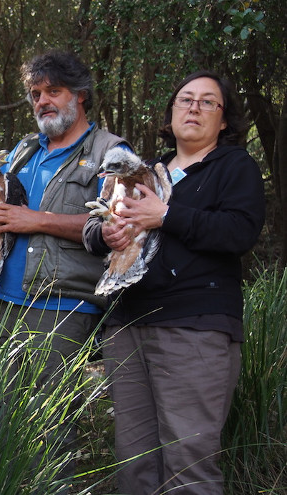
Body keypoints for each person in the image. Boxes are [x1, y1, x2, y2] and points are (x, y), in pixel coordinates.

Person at [82, 70, 265, 494]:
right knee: (134, 463)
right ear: (171, 113)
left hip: (194, 327)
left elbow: (239, 232)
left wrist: (166, 216)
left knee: (188, 465)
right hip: (128, 324)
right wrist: (105, 233)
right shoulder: (145, 170)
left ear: (224, 120)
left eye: (207, 102)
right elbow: (96, 226)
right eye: (185, 99)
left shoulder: (234, 166)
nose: (194, 108)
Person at [0, 49, 130, 488]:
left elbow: (118, 226)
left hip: (62, 305)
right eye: (35, 93)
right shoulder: (23, 151)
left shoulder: (110, 151)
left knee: (47, 428)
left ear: (80, 96)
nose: (42, 101)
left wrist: (35, 219)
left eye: (53, 91)